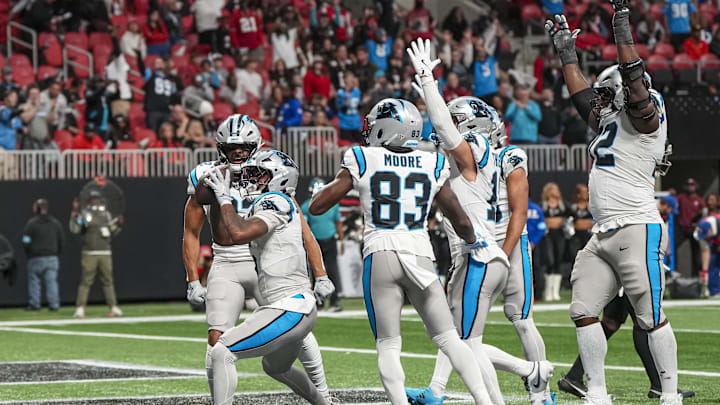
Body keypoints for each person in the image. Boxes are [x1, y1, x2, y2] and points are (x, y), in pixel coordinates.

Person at [309, 97, 496, 405]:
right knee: (449, 338)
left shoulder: (362, 157)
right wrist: (474, 240)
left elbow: (318, 207)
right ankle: (484, 401)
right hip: (420, 251)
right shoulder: (432, 160)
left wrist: (325, 190)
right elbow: (458, 217)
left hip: (381, 251)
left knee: (388, 344)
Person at [546, 3, 682, 403]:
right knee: (583, 309)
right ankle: (597, 393)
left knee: (650, 316)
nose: (599, 99)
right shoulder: (610, 120)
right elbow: (578, 94)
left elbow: (635, 82)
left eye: (608, 93)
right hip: (602, 232)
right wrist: (566, 54)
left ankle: (670, 395)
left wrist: (620, 28)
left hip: (636, 226)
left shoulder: (646, 116)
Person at [406, 41, 552, 405]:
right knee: (457, 330)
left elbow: (519, 210)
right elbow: (417, 143)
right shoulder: (461, 152)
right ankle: (437, 391)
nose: (450, 128)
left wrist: (430, 86)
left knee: (516, 319)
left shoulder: (501, 155)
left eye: (458, 123)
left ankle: (541, 390)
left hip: (501, 244)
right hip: (474, 248)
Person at [184, 115, 334, 403]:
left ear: (256, 146)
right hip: (227, 259)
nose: (238, 152)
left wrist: (322, 273)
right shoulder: (208, 175)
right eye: (231, 147)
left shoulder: (271, 173)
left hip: (262, 260)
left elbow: (304, 232)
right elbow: (190, 231)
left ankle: (324, 396)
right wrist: (193, 278)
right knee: (217, 340)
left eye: (244, 146)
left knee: (295, 331)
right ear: (220, 147)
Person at [70, 192, 123, 318]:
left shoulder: (106, 214)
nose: (96, 201)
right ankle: (80, 308)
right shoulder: (85, 213)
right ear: (89, 201)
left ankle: (113, 307)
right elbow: (75, 229)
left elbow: (111, 231)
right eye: (94, 199)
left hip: (105, 251)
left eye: (97, 199)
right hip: (90, 252)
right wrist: (74, 214)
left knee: (108, 280)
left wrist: (118, 225)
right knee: (86, 281)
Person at [301, 178, 345, 312]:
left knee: (331, 271)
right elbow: (304, 227)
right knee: (318, 271)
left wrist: (341, 240)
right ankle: (320, 302)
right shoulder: (306, 206)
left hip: (329, 240)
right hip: (316, 242)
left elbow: (338, 223)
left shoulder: (309, 205)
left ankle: (333, 301)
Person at [22, 198, 64, 311]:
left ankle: (35, 304)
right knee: (52, 282)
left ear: (37, 208)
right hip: (52, 257)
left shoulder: (31, 224)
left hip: (36, 257)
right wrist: (56, 253)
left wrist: (29, 252)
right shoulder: (55, 223)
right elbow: (61, 241)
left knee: (34, 281)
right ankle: (54, 305)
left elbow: (25, 240)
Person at [677, 178, 704, 277]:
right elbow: (673, 205)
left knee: (696, 252)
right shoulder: (681, 198)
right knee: (673, 247)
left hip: (694, 230)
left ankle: (696, 275)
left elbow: (704, 214)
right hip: (682, 229)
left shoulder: (699, 200)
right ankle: (673, 272)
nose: (690, 187)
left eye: (692, 185)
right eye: (688, 185)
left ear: (695, 186)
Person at [142, 57, 175, 132]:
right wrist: (139, 54)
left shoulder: (169, 78)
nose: (160, 64)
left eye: (161, 62)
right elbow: (141, 68)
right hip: (153, 110)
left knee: (167, 133)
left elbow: (173, 94)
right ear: (153, 66)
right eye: (157, 62)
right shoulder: (150, 75)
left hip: (166, 111)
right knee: (152, 133)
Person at [335, 72, 362, 143]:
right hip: (345, 124)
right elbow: (339, 107)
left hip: (356, 123)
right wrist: (346, 101)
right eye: (350, 77)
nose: (352, 79)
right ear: (345, 80)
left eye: (353, 77)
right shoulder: (340, 93)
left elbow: (358, 107)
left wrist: (363, 102)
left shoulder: (357, 91)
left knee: (361, 145)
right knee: (345, 145)